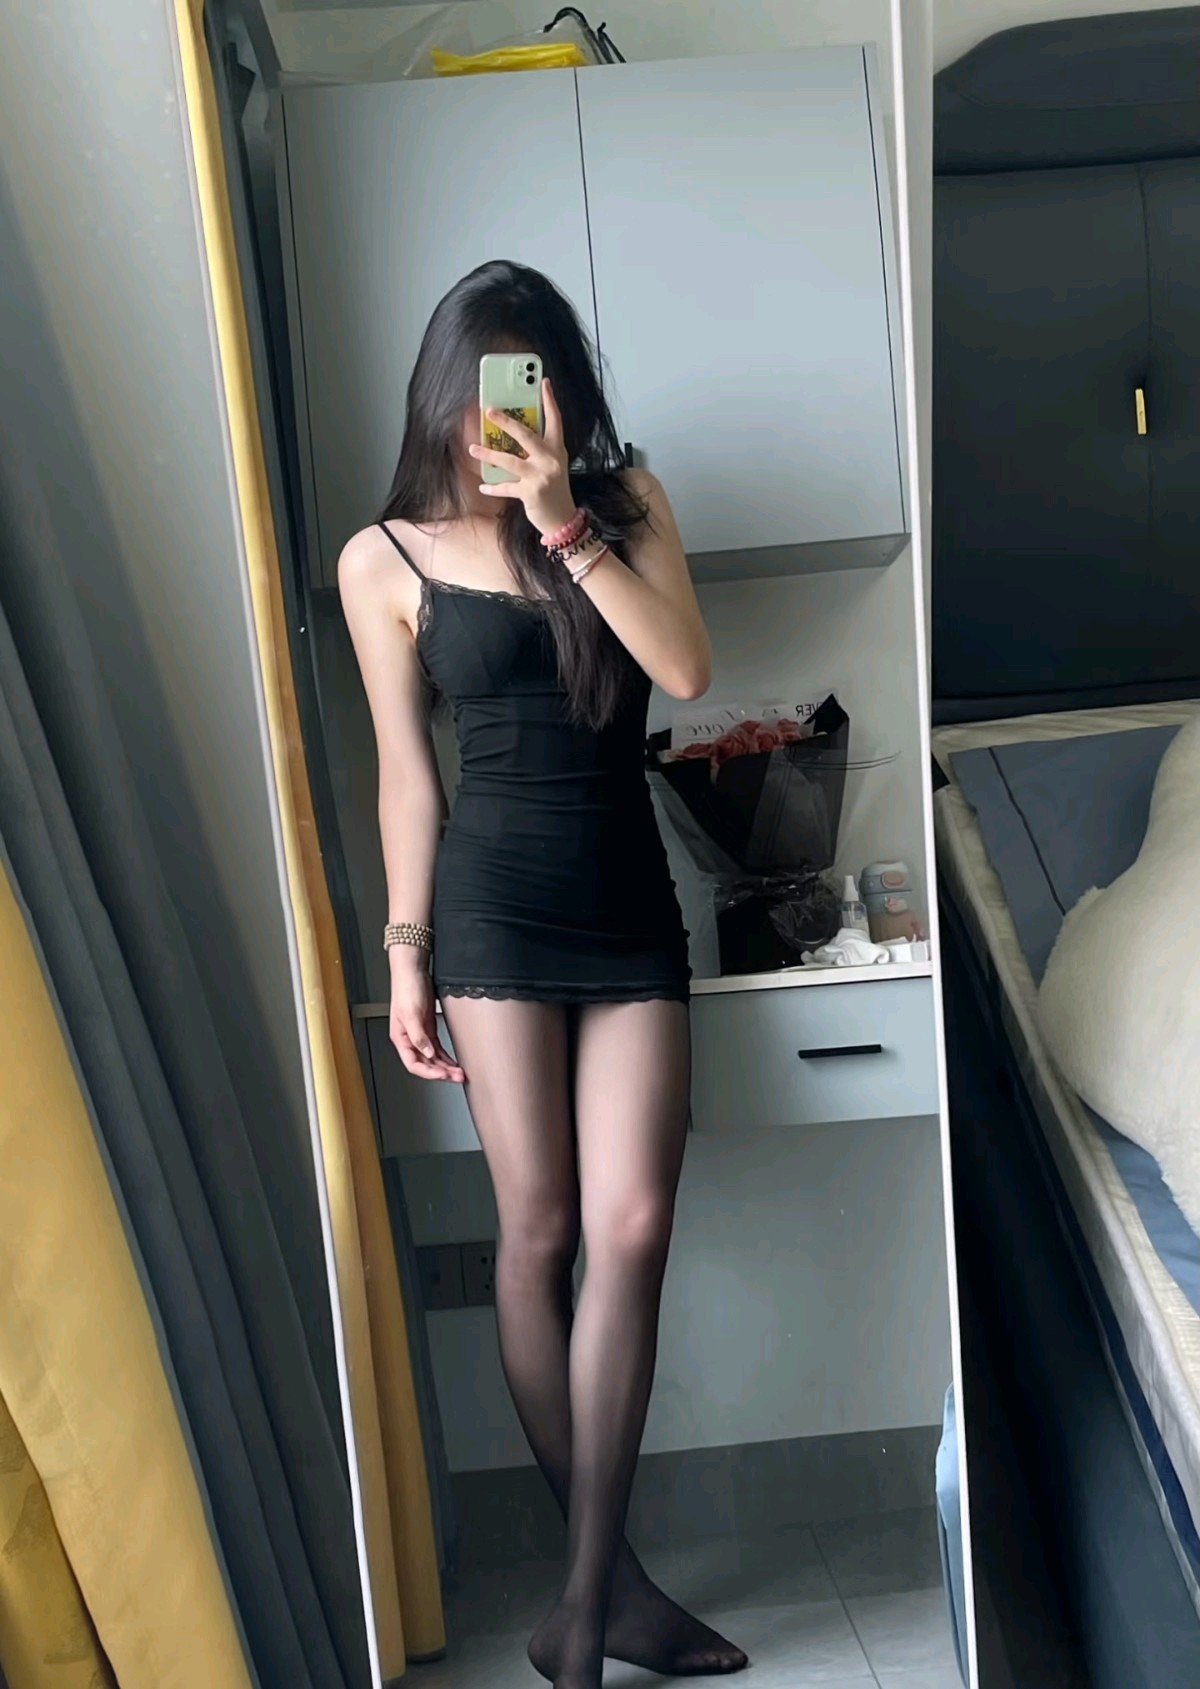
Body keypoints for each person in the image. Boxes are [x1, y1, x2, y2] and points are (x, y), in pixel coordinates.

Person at [339, 260, 747, 1689]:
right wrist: (405, 954)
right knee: (541, 1229)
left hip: (628, 906)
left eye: (534, 383)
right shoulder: (384, 559)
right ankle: (609, 1599)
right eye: (482, 390)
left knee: (633, 1224)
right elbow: (407, 777)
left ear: (565, 392)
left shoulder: (626, 506)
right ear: (440, 399)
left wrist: (564, 520)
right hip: (494, 920)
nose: (503, 416)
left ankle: (582, 1606)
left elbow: (685, 672)